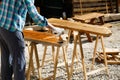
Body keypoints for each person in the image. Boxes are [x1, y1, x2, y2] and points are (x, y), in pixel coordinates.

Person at [0, 0, 63, 80]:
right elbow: (35, 16)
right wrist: (53, 28)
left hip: (2, 27)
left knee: (6, 60)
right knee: (19, 63)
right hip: (13, 29)